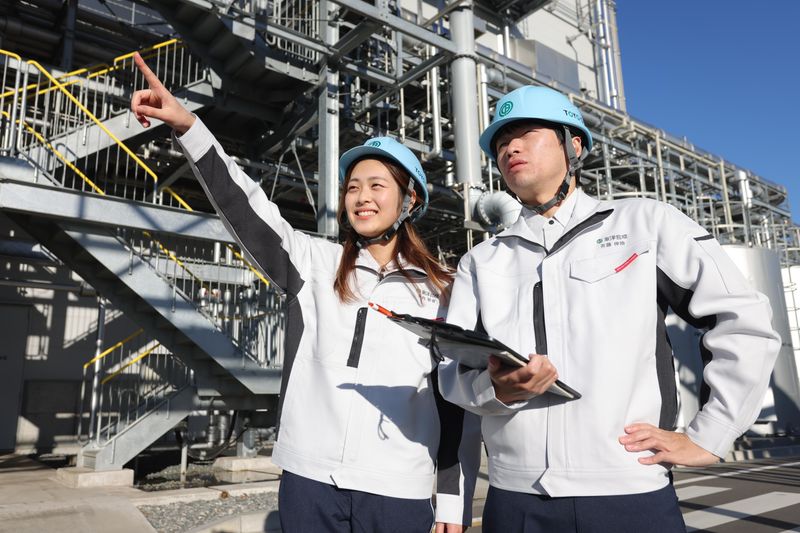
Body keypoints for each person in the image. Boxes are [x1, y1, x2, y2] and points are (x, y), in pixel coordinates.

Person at [130, 52, 479, 533]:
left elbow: (455, 402)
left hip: (399, 488)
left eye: (377, 185)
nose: (362, 197)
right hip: (309, 479)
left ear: (409, 198)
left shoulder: (442, 289)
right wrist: (189, 127)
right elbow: (245, 206)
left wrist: (453, 500)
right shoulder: (313, 263)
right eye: (353, 187)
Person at [438, 85, 781, 532]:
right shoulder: (482, 261)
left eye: (526, 134)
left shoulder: (645, 224)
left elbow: (742, 318)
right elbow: (452, 371)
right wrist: (496, 389)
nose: (510, 148)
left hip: (627, 491)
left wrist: (712, 433)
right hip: (515, 498)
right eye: (501, 143)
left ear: (574, 145)